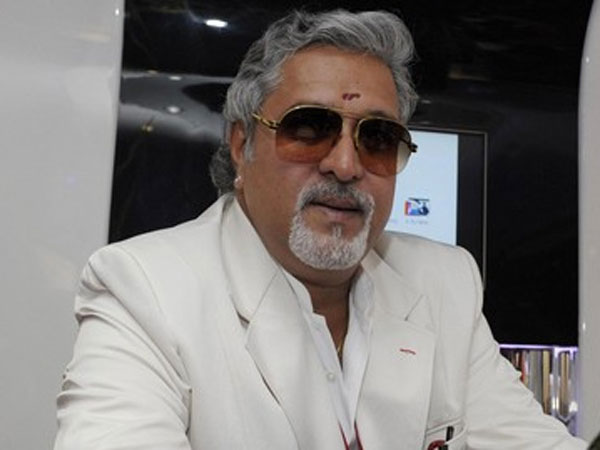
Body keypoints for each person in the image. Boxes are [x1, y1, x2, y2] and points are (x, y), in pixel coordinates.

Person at [54, 9, 587, 450]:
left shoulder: (443, 282)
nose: (346, 165)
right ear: (241, 145)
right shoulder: (144, 290)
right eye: (309, 128)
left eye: (377, 138)